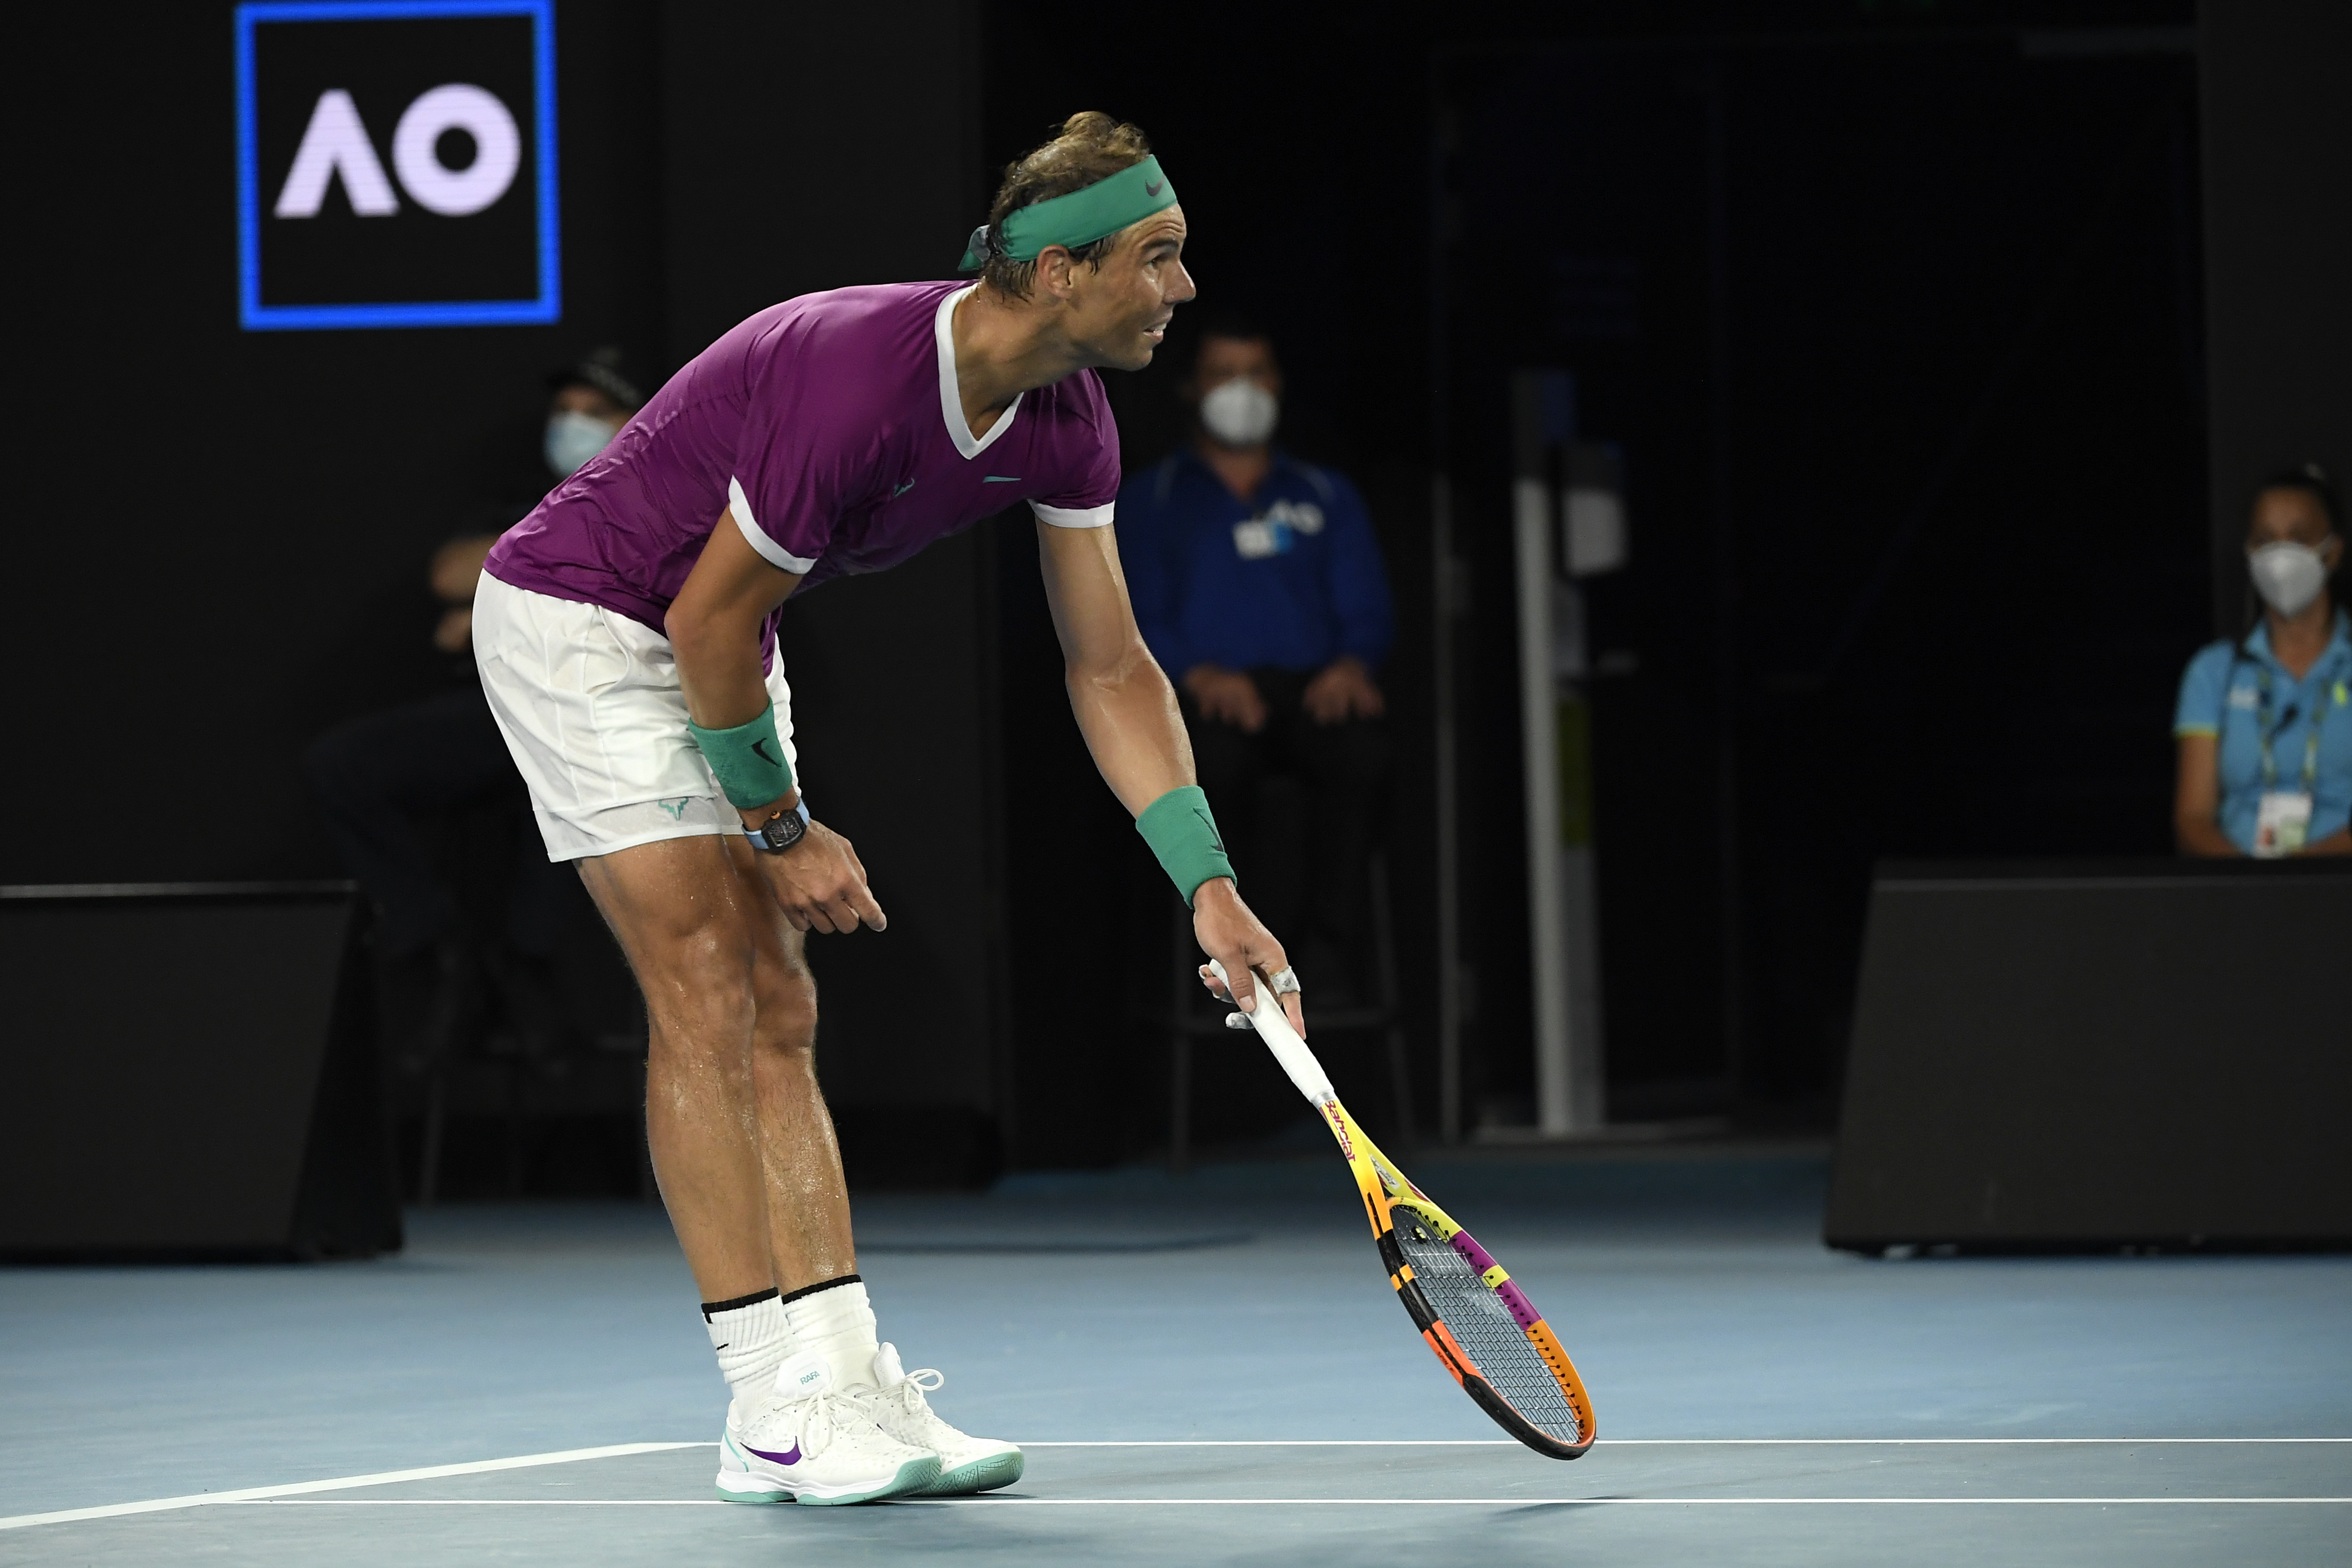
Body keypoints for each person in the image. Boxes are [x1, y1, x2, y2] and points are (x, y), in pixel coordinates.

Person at [468, 113, 1305, 1506]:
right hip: (586, 621)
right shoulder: (856, 376)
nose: (1183, 288)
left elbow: (1109, 666)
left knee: (782, 1002)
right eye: (1156, 259)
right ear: (1053, 274)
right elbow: (705, 615)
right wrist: (787, 829)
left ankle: (849, 1378)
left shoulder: (1068, 416)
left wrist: (1208, 884)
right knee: (703, 981)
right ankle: (766, 1410)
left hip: (720, 639)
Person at [307, 352, 647, 1068]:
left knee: (560, 776)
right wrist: (537, 573)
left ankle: (530, 967)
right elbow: (451, 575)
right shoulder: (527, 498)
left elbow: (627, 609)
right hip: (493, 706)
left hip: (594, 712)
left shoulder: (660, 496)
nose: (572, 425)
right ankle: (434, 945)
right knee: (343, 764)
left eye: (593, 412)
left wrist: (496, 603)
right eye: (567, 410)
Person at [1118, 317, 1394, 996]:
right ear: (1190, 386)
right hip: (1206, 702)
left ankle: (1325, 963)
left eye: (1257, 373)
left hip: (1308, 693)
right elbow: (1133, 616)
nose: (1242, 390)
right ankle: (1222, 960)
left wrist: (1353, 664)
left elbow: (1368, 604)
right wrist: (1198, 674)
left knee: (1362, 755)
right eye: (1223, 374)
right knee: (1205, 774)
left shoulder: (1323, 494)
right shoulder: (1152, 499)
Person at [2173, 464, 2352, 858]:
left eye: (2298, 538)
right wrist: (2251, 889)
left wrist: (2294, 878)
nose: (2280, 555)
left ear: (2333, 550)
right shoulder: (2213, 671)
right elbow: (2193, 818)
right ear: (2249, 552)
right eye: (2266, 540)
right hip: (2237, 899)